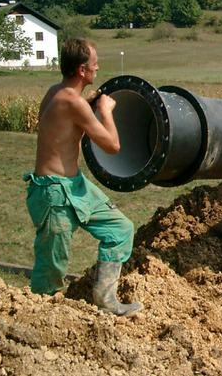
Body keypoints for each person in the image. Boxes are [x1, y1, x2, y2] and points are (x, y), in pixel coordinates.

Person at [23, 38, 142, 316]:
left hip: (74, 185)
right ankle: (39, 318)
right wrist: (105, 112)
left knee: (120, 229)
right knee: (52, 266)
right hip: (54, 192)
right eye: (94, 64)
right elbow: (112, 145)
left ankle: (105, 298)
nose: (98, 67)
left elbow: (62, 120)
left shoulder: (56, 93)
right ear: (81, 71)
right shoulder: (72, 102)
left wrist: (85, 104)